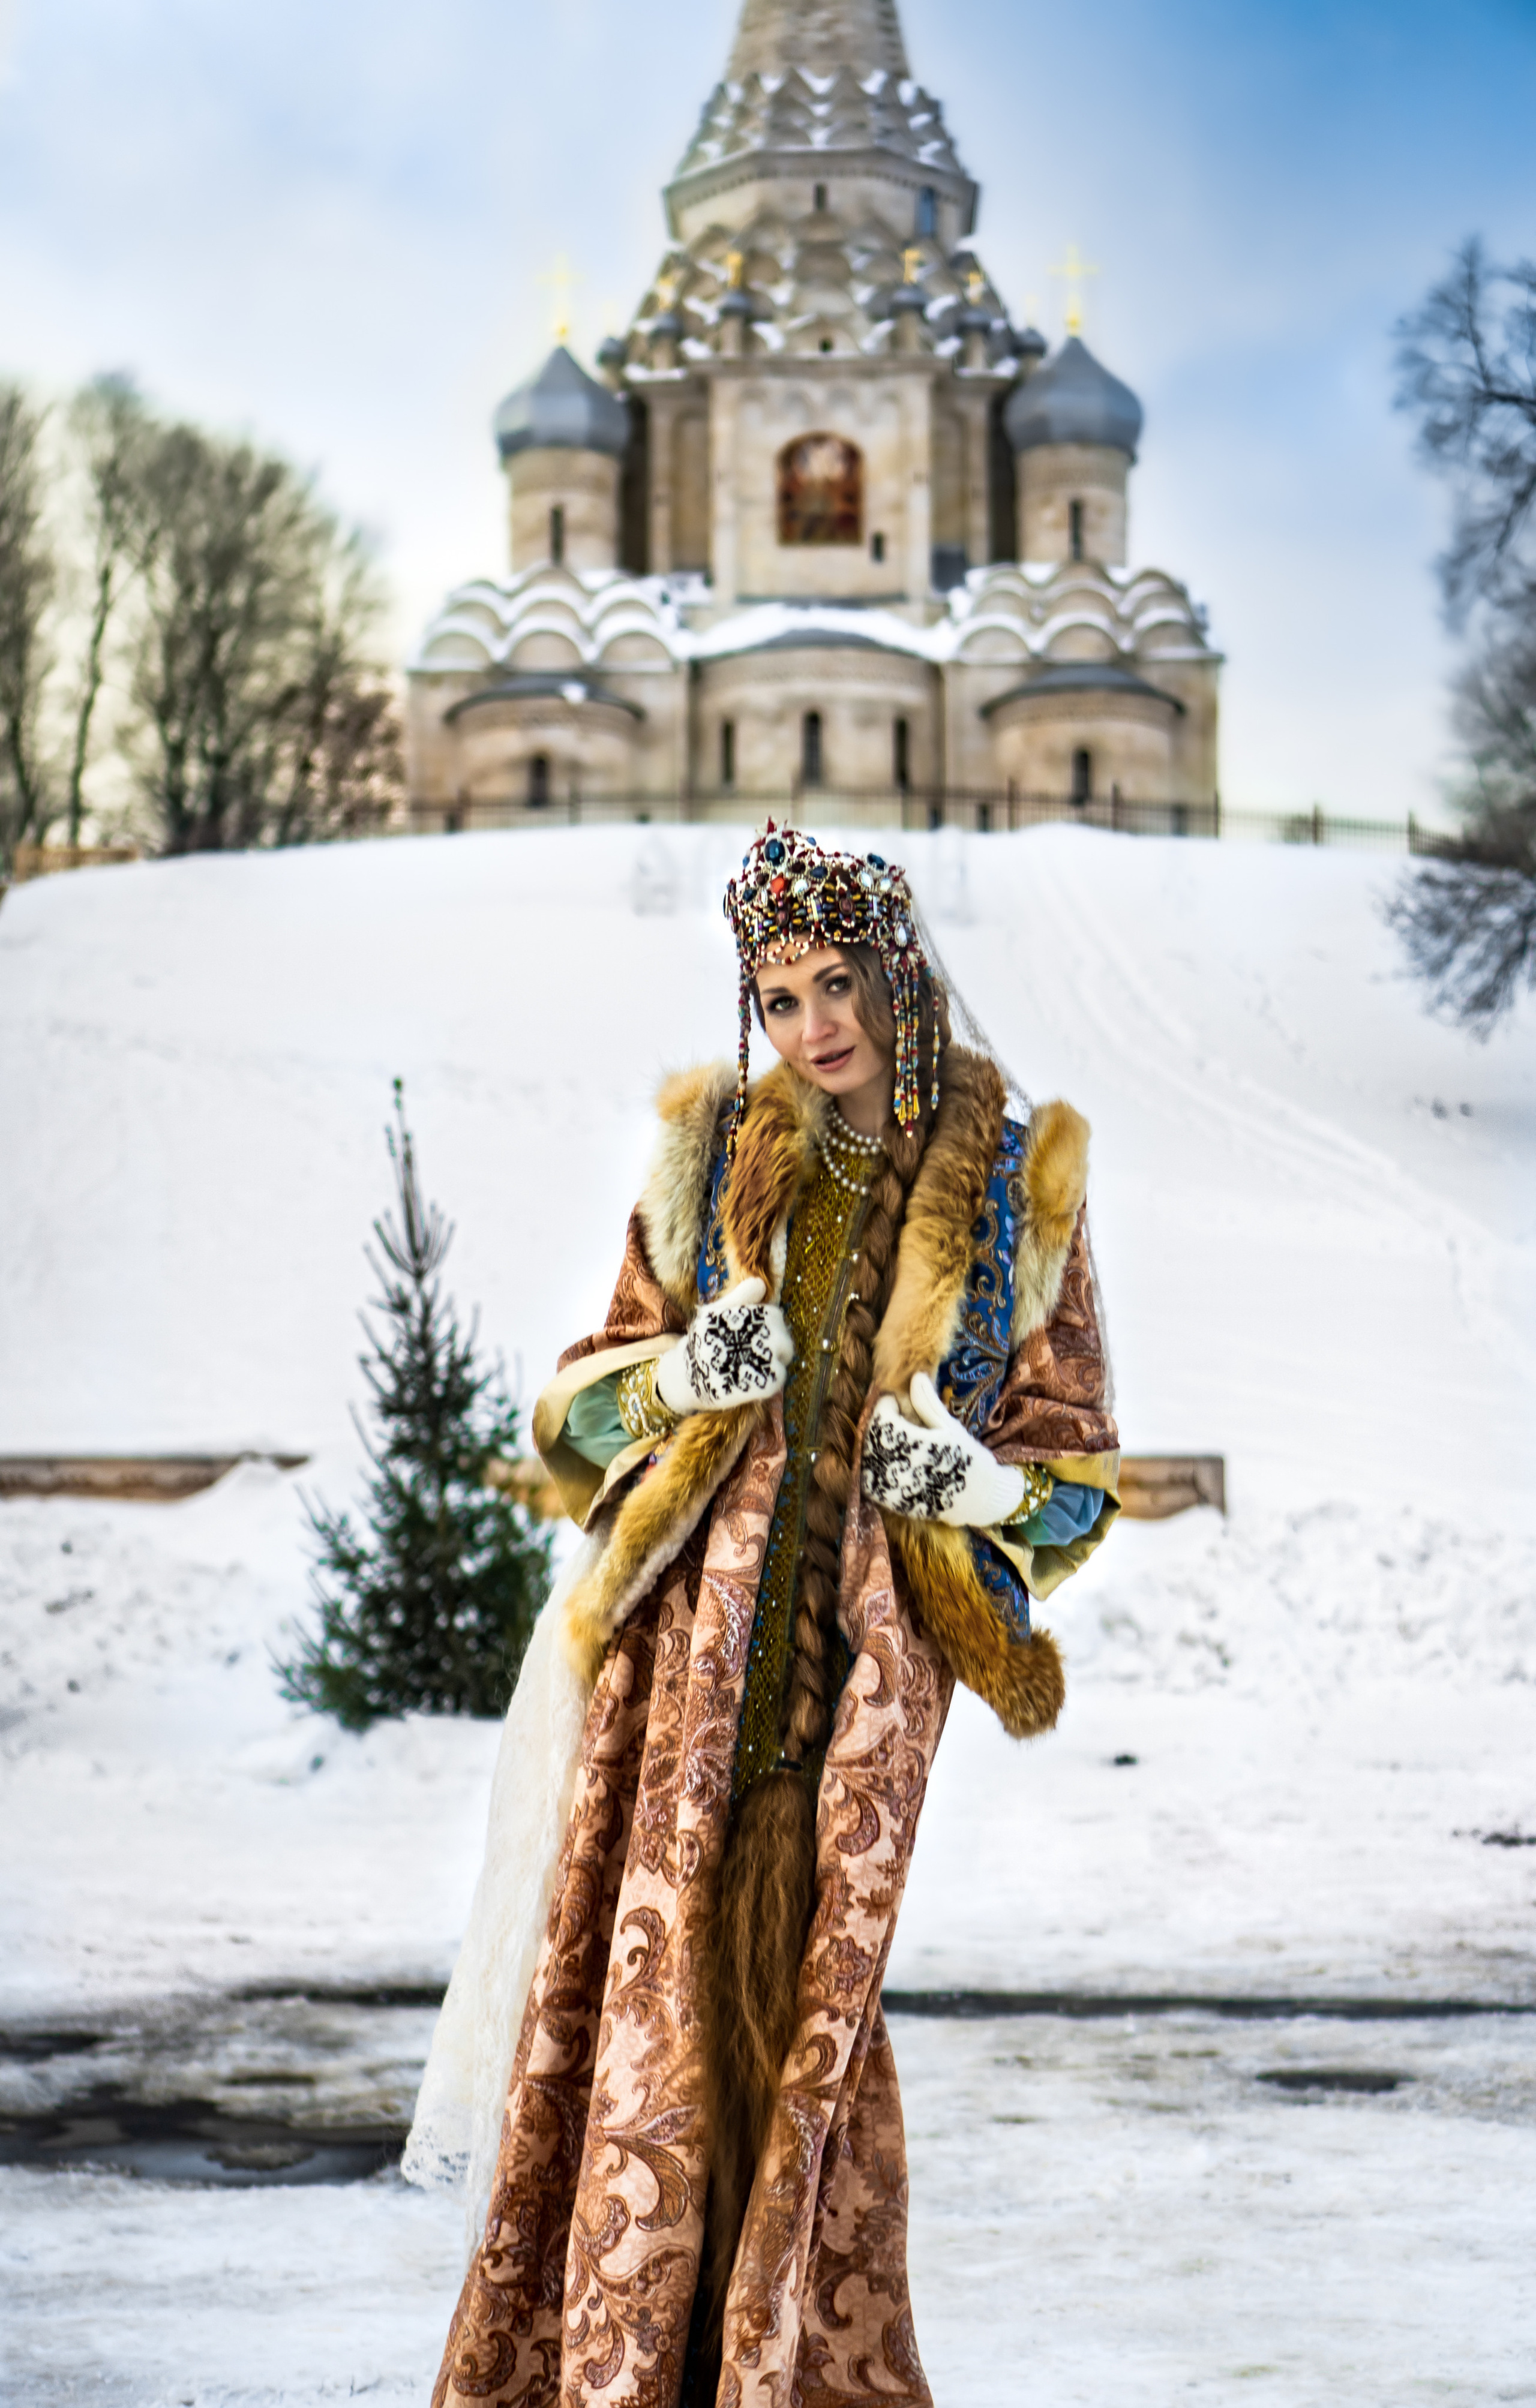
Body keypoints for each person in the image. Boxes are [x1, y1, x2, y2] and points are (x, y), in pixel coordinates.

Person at [409, 823, 1120, 2408]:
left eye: (838, 981)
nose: (814, 1023)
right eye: (781, 993)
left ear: (898, 975)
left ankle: (781, 2376)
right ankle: (613, 2369)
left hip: (859, 1706)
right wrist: (680, 1376)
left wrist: (974, 1487)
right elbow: (568, 1424)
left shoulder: (1018, 1192)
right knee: (645, 2035)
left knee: (812, 2053)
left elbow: (1077, 1488)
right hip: (673, 1677)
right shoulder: (716, 1151)